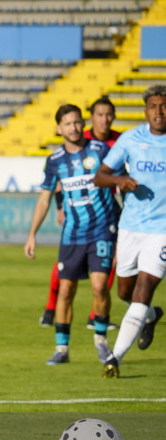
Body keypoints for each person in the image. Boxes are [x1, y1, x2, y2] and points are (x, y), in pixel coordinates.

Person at [24, 104, 120, 365]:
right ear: (59, 128)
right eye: (68, 123)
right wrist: (32, 234)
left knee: (100, 286)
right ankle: (62, 348)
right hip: (72, 234)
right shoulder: (55, 161)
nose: (74, 127)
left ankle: (101, 340)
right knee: (65, 290)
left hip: (102, 228)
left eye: (78, 122)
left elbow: (121, 182)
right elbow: (45, 198)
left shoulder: (101, 151)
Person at [94, 85, 166, 378]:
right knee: (124, 290)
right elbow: (99, 176)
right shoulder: (130, 139)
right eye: (153, 106)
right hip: (130, 228)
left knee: (144, 287)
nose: (159, 112)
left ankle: (114, 358)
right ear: (145, 110)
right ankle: (150, 315)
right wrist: (119, 180)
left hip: (162, 230)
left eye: (163, 105)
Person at [39, 96, 122, 329]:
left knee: (110, 267)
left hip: (109, 206)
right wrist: (59, 206)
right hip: (76, 209)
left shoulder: (118, 142)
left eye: (108, 115)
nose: (104, 120)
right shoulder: (77, 143)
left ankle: (100, 316)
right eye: (100, 115)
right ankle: (50, 308)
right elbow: (58, 181)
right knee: (67, 272)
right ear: (91, 119)